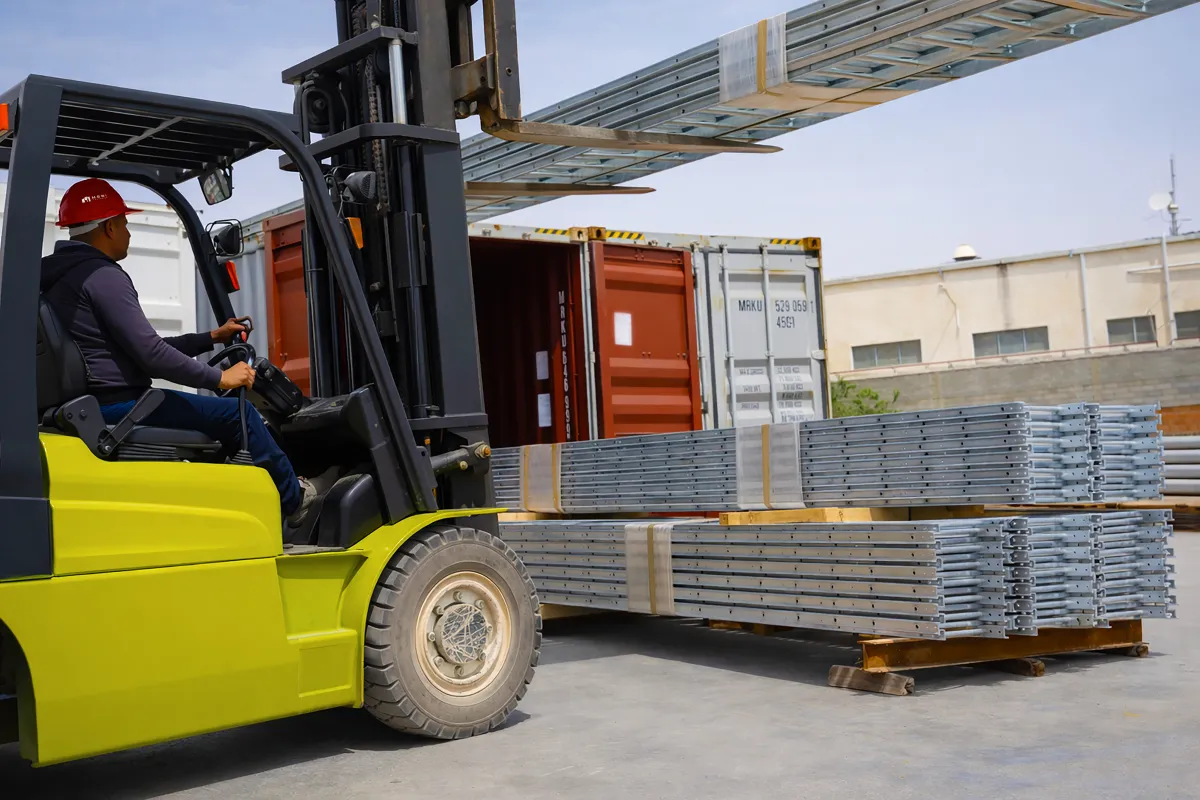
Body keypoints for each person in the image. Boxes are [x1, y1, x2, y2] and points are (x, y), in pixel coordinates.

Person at [41, 178, 326, 526]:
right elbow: (152, 356)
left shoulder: (56, 277)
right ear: (109, 227)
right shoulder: (103, 276)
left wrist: (211, 337)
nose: (128, 233)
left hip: (91, 403)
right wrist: (220, 377)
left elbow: (143, 348)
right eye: (125, 224)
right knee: (240, 415)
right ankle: (295, 501)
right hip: (120, 404)